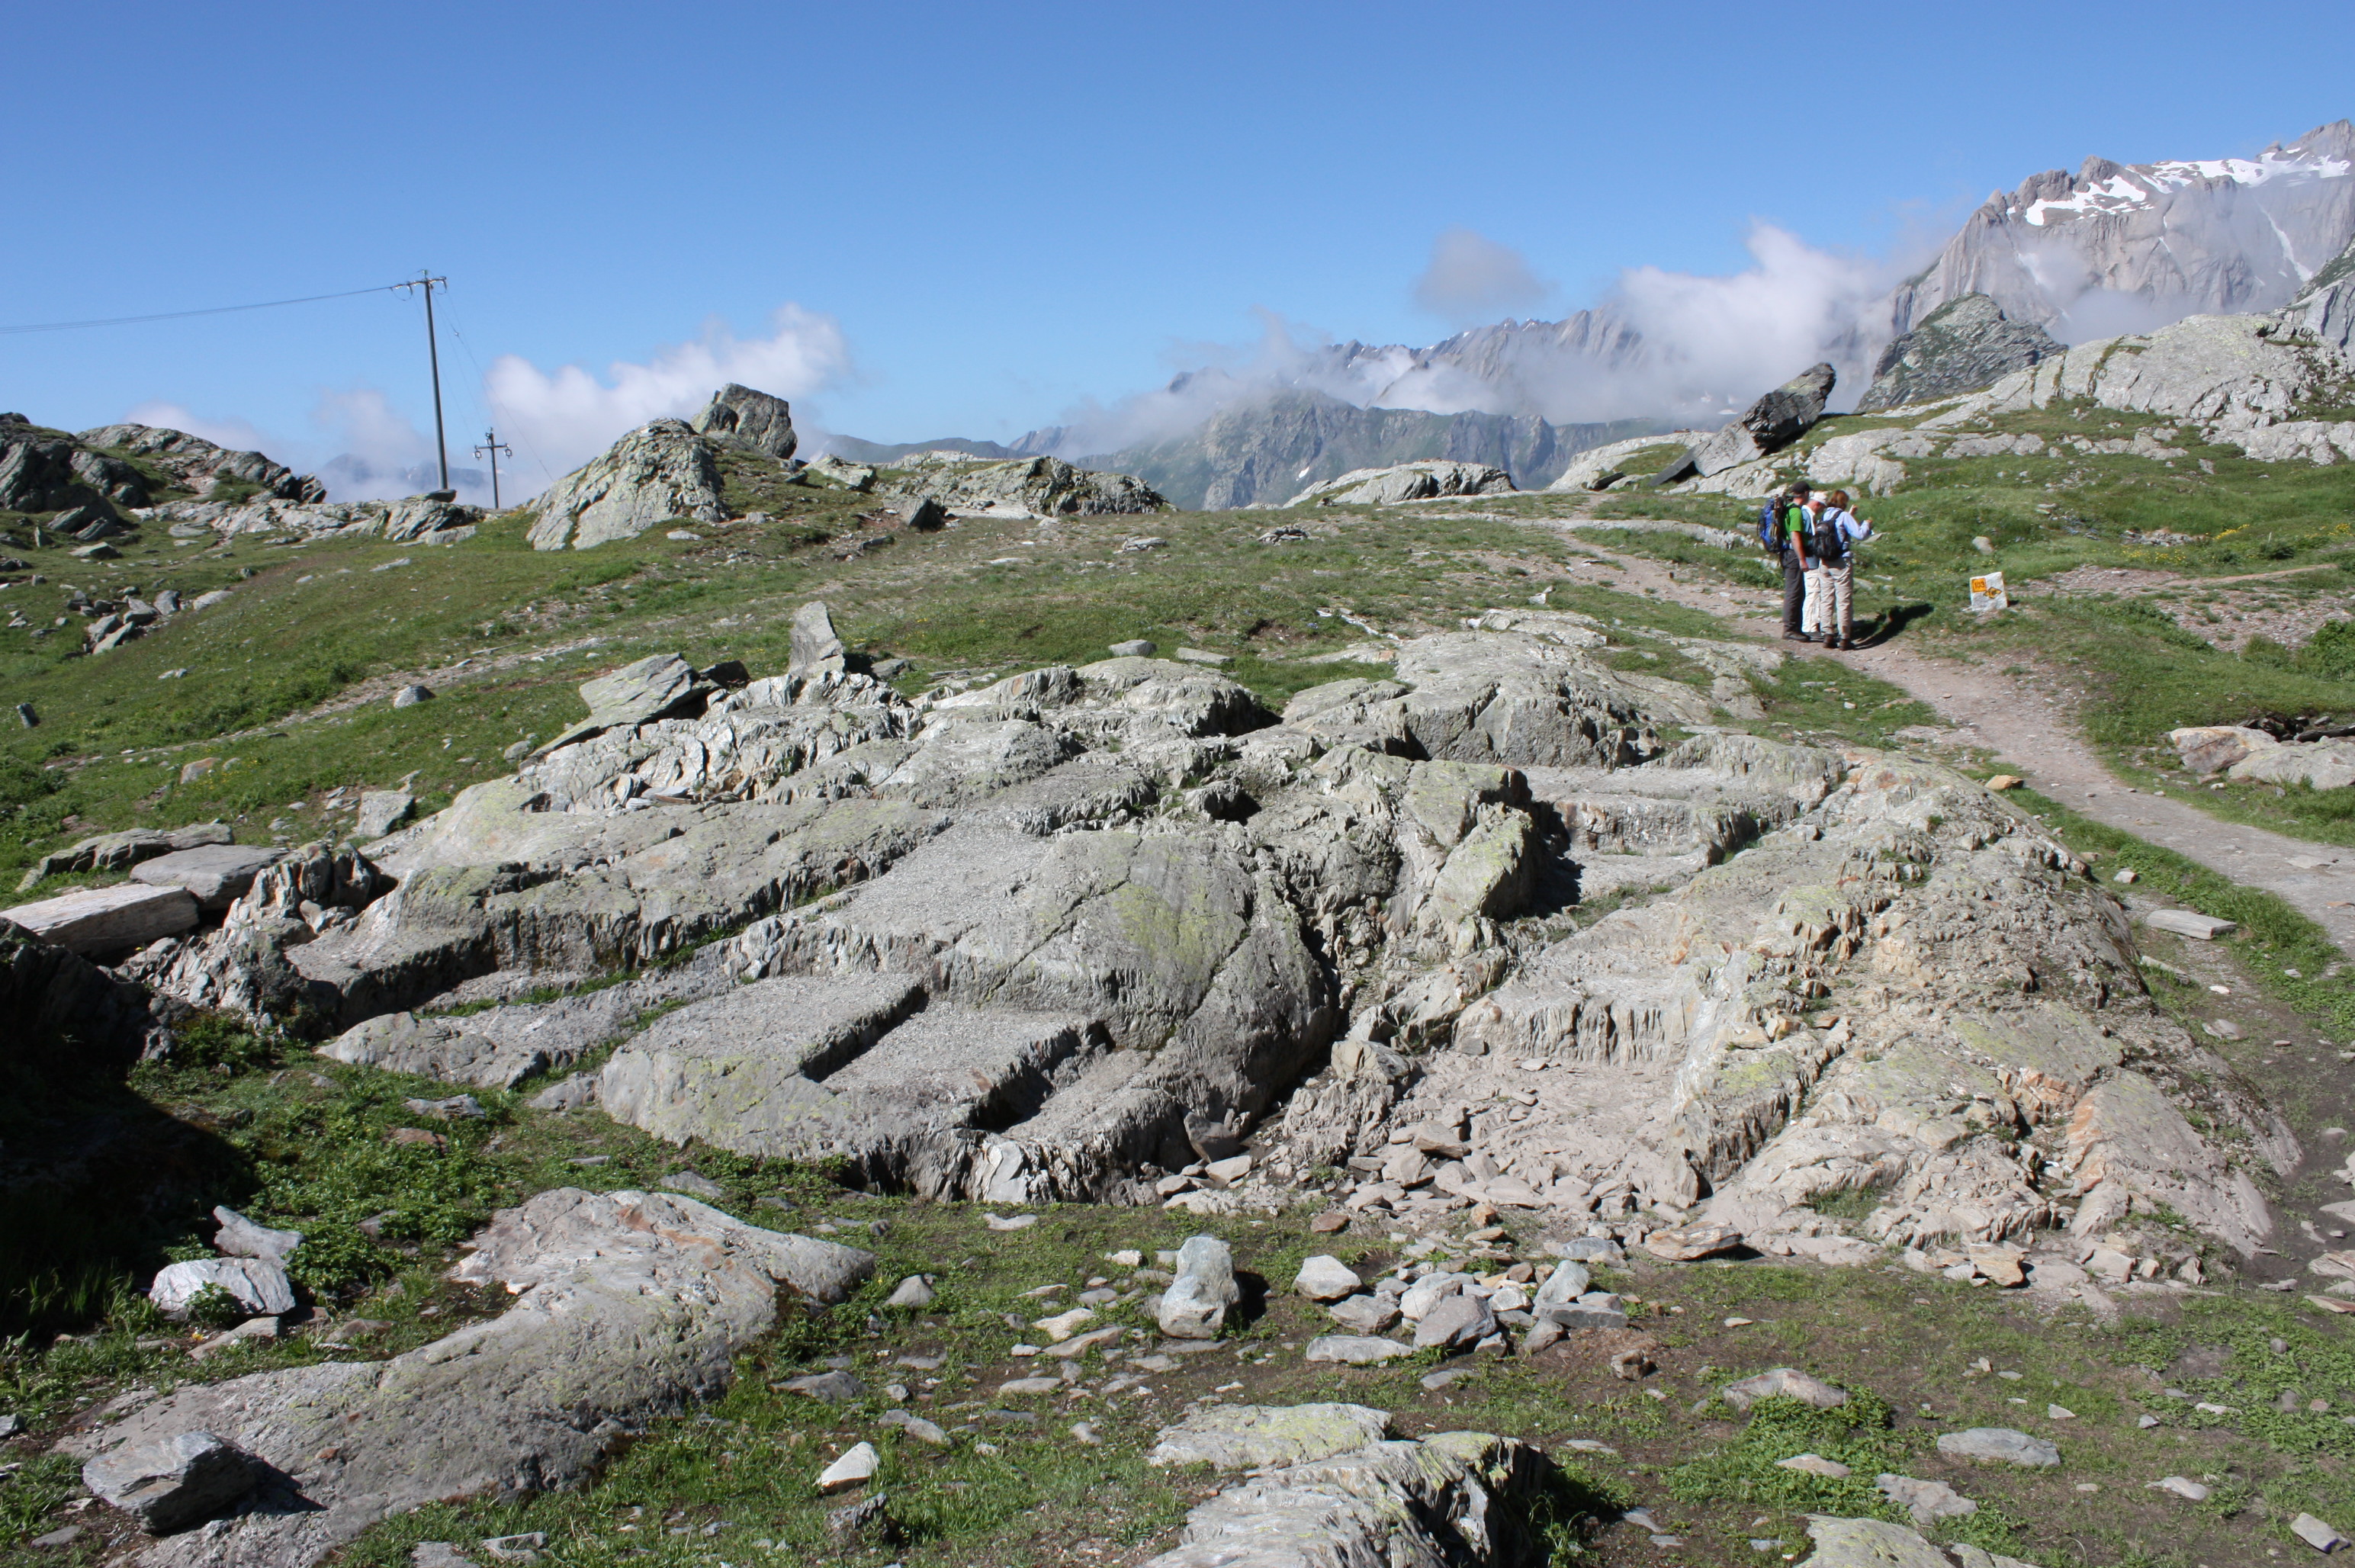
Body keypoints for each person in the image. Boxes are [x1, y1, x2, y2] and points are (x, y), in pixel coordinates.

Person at [1811, 488, 1876, 649]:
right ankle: (1845, 638)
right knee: (1844, 600)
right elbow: (1860, 535)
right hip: (1841, 562)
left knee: (1826, 599)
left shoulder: (1825, 515)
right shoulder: (1844, 516)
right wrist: (1867, 524)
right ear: (1844, 502)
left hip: (1824, 562)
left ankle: (1827, 634)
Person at [1767, 482, 1813, 641]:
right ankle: (1790, 629)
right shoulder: (1796, 513)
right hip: (1793, 555)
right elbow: (1795, 536)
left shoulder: (1787, 509)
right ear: (1805, 493)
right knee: (1794, 592)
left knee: (1797, 591)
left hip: (1786, 553)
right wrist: (1802, 559)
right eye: (1809, 493)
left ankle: (1795, 628)